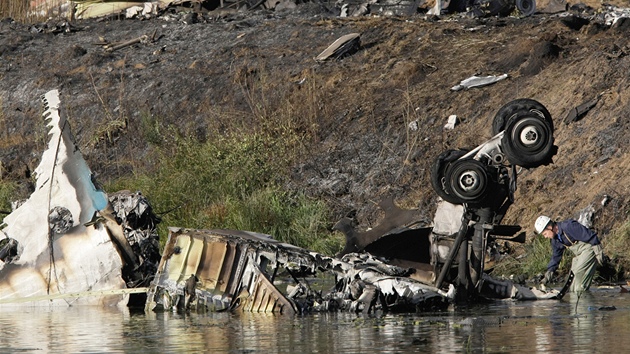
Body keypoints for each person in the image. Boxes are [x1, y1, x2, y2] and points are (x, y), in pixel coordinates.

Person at [534, 215, 605, 294]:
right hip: (579, 255)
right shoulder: (555, 240)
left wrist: (598, 252)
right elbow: (556, 257)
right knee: (572, 286)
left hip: (589, 249)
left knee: (579, 275)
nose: (545, 237)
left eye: (545, 234)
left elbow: (590, 235)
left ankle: (583, 300)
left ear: (550, 227)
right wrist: (548, 275)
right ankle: (576, 300)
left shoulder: (568, 226)